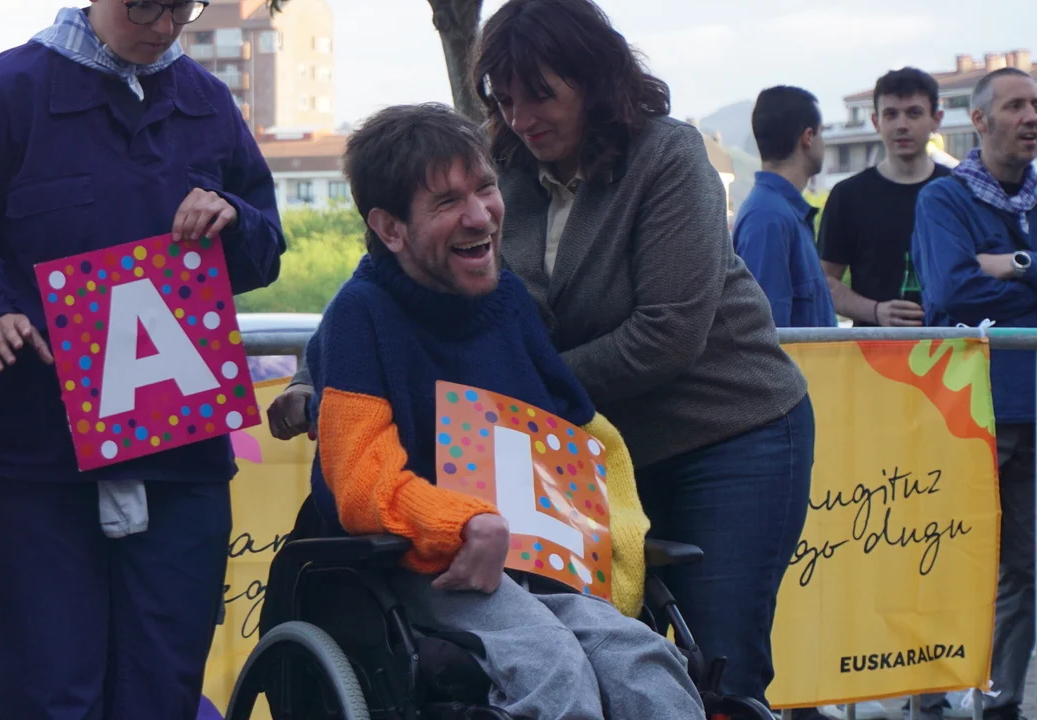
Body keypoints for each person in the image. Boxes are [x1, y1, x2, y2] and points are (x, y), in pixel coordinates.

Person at [273, 0, 814, 709]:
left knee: (691, 664)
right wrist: (319, 377)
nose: (520, 116)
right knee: (552, 664)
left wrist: (494, 393)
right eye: (504, 98)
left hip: (723, 426)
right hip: (494, 508)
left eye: (540, 94)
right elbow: (380, 278)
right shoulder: (495, 166)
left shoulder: (666, 157)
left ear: (593, 80)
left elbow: (667, 333)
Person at [0, 0, 285, 717]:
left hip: (182, 457)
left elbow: (266, 246)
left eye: (182, 7)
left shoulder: (208, 101)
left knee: (164, 688)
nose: (164, 25)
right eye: (144, 5)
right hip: (42, 456)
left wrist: (234, 219)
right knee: (51, 690)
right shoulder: (12, 89)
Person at [305, 100, 705, 720]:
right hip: (421, 567)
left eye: (485, 188)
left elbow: (574, 432)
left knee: (643, 661)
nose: (480, 215)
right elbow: (361, 487)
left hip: (530, 560)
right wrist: (464, 523)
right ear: (390, 229)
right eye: (447, 202)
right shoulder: (361, 316)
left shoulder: (509, 300)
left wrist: (612, 536)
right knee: (549, 665)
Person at [911, 66, 1037, 720]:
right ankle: (929, 699)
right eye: (1015, 106)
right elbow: (953, 293)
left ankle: (1001, 701)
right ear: (979, 121)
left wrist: (1016, 266)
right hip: (967, 412)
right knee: (946, 559)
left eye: (1035, 104)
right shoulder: (944, 200)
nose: (1031, 116)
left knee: (1027, 567)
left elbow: (983, 285)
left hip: (1033, 411)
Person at [819, 67, 950, 329]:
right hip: (874, 349)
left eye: (914, 113)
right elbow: (823, 282)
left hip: (952, 347)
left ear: (936, 119)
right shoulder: (848, 196)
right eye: (891, 114)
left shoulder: (957, 192)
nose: (902, 125)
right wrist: (876, 311)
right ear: (876, 122)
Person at [733, 85, 837, 328]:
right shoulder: (769, 218)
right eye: (822, 132)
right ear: (808, 137)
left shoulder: (783, 213)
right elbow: (766, 333)